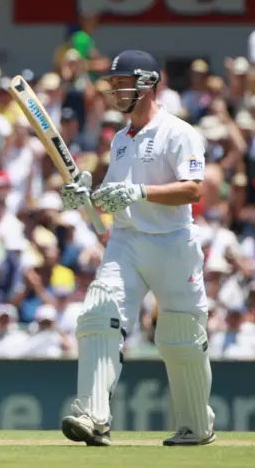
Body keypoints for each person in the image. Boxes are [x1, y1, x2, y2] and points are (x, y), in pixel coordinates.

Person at [59, 50, 214, 447]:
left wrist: (140, 191)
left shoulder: (178, 132)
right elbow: (114, 198)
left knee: (179, 335)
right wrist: (85, 197)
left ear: (147, 83)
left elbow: (194, 190)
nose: (114, 91)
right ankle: (94, 417)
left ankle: (196, 426)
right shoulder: (121, 141)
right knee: (99, 313)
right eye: (111, 84)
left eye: (120, 82)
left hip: (172, 242)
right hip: (127, 241)